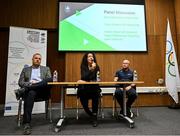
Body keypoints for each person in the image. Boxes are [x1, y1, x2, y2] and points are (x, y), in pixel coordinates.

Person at [14, 53, 52, 135]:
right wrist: (29, 84)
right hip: (31, 92)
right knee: (31, 92)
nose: (38, 60)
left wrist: (36, 84)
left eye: (39, 59)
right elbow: (20, 82)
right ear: (32, 59)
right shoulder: (26, 69)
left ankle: (26, 89)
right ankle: (27, 123)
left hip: (42, 91)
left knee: (49, 79)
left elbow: (49, 81)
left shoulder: (46, 69)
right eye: (36, 58)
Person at [77, 52, 101, 127]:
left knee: (95, 96)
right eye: (89, 56)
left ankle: (94, 117)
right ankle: (91, 114)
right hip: (84, 89)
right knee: (83, 101)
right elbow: (84, 76)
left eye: (92, 56)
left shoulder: (96, 66)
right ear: (86, 58)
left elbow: (96, 79)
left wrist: (84, 81)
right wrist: (91, 69)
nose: (91, 57)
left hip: (94, 88)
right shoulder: (83, 66)